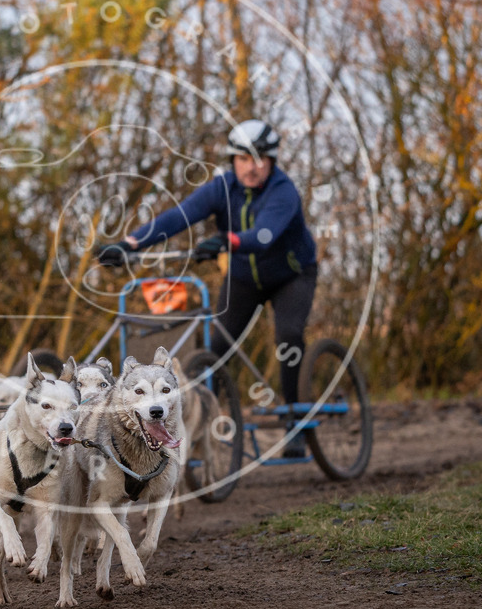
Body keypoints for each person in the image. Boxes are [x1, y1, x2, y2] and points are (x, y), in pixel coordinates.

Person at [96, 120, 318, 457]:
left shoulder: (283, 191)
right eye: (243, 159)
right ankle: (205, 427)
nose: (251, 167)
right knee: (215, 352)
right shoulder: (222, 188)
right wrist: (130, 244)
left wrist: (226, 240)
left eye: (260, 159)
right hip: (244, 278)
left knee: (288, 336)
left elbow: (264, 235)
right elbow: (179, 216)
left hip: (292, 275)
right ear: (233, 160)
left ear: (272, 161)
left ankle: (295, 422)